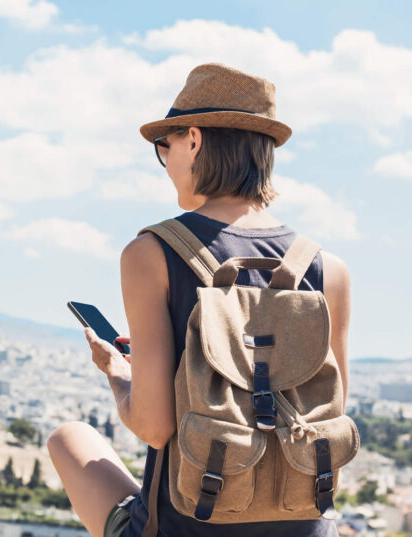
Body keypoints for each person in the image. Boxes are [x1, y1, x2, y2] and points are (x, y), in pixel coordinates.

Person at [47, 62, 350, 537]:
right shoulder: (327, 267)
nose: (165, 160)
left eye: (162, 147)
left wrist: (121, 377)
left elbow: (154, 427)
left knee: (69, 437)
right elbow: (329, 405)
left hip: (185, 527)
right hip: (306, 527)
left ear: (193, 139)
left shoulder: (152, 252)